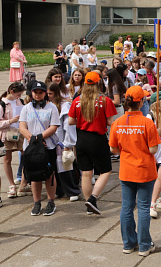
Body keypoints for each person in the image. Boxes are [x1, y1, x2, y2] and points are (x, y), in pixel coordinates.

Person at [109, 86, 160, 257]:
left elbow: (113, 149)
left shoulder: (118, 122)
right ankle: (144, 245)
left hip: (126, 170)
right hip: (144, 170)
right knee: (144, 208)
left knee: (127, 207)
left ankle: (128, 244)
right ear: (141, 102)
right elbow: (153, 150)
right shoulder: (147, 123)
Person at [68, 72, 117, 215]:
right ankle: (93, 199)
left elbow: (70, 121)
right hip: (98, 139)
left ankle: (89, 204)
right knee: (106, 170)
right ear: (98, 84)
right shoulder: (104, 100)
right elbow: (110, 122)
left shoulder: (77, 100)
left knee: (86, 173)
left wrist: (83, 122)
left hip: (81, 138)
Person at [19, 80, 60, 216]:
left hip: (47, 147)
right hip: (31, 148)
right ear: (31, 93)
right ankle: (37, 203)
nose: (37, 95)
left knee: (49, 175)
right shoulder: (26, 108)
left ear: (45, 94)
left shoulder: (51, 107)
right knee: (34, 175)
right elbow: (22, 127)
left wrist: (40, 138)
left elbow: (53, 126)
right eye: (35, 92)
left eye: (40, 92)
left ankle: (51, 201)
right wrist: (33, 139)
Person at [46, 82, 80, 202]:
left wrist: (68, 143)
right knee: (55, 168)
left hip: (62, 141)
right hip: (51, 142)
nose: (48, 95)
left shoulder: (64, 106)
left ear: (56, 93)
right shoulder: (47, 105)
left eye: (50, 93)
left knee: (66, 167)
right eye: (47, 93)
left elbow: (68, 126)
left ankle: (72, 190)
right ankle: (59, 190)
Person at [0, 82, 26, 199]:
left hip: (20, 133)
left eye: (21, 95)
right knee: (7, 159)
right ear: (11, 92)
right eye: (18, 94)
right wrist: (10, 121)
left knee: (26, 157)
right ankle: (11, 185)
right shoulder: (2, 104)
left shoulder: (20, 102)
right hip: (7, 134)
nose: (19, 97)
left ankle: (24, 184)